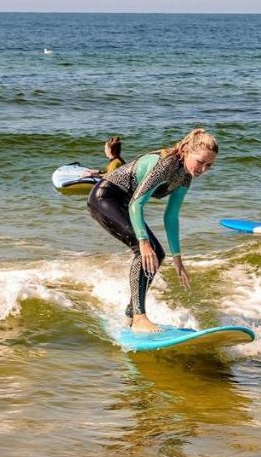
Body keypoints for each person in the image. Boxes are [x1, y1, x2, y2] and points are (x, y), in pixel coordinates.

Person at [86, 129, 217, 333]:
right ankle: (139, 317)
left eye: (209, 165)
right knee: (145, 251)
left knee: (158, 254)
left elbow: (171, 216)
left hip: (123, 203)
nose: (203, 169)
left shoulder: (185, 177)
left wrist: (178, 258)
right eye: (201, 161)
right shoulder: (165, 165)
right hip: (105, 198)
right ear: (185, 151)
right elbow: (136, 204)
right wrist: (143, 241)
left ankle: (131, 315)